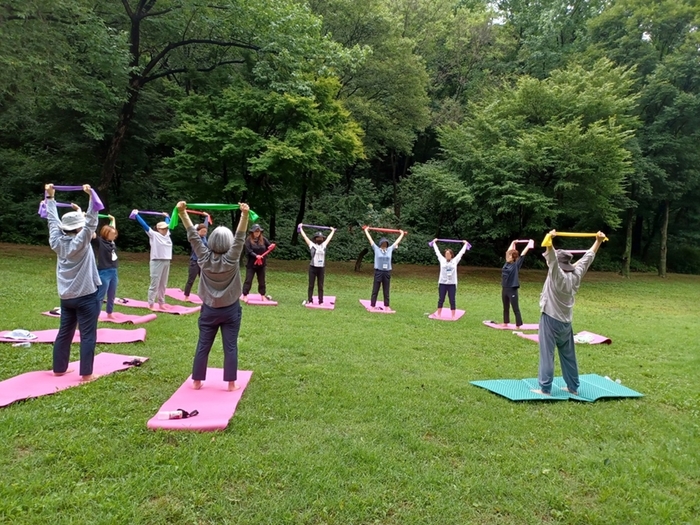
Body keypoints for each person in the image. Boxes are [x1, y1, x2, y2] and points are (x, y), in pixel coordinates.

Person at [175, 200, 249, 391]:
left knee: (203, 344)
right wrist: (244, 215)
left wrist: (183, 212)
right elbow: (240, 236)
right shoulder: (232, 258)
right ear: (229, 242)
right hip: (231, 309)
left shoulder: (203, 256)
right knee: (230, 346)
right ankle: (231, 384)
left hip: (209, 309)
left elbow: (192, 235)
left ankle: (197, 381)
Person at [532, 230, 607, 396]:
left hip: (550, 319)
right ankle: (573, 387)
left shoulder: (557, 275)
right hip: (566, 322)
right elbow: (587, 258)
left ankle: (545, 389)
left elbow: (550, 257)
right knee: (568, 356)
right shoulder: (576, 274)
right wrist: (598, 241)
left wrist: (549, 239)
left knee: (547, 354)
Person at [45, 183, 101, 382]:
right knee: (87, 335)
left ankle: (59, 369)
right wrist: (90, 195)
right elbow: (92, 221)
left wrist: (49, 197)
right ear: (79, 227)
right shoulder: (81, 242)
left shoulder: (57, 241)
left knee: (65, 332)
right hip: (86, 296)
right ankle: (86, 374)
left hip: (66, 297)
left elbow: (52, 221)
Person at [132, 210, 172, 310]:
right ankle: (151, 304)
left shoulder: (167, 235)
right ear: (158, 229)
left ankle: (161, 303)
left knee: (163, 284)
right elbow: (144, 225)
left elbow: (168, 222)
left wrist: (166, 216)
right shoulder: (154, 234)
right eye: (163, 229)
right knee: (155, 283)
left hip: (166, 261)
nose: (165, 230)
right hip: (156, 261)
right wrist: (137, 215)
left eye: (166, 228)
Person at [363, 227, 406, 311]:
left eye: (386, 243)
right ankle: (372, 305)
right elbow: (370, 240)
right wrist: (366, 230)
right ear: (380, 244)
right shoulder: (376, 249)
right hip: (378, 272)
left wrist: (402, 234)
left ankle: (386, 306)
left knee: (386, 290)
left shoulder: (389, 249)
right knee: (375, 289)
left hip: (387, 273)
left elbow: (397, 242)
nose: (384, 244)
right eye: (383, 243)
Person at [299, 226, 336, 305]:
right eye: (318, 238)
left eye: (321, 238)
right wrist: (301, 228)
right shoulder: (312, 245)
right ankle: (310, 300)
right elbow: (305, 236)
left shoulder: (324, 245)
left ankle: (321, 301)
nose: (320, 239)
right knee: (311, 285)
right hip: (312, 268)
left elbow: (329, 237)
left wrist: (332, 231)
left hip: (321, 268)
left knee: (320, 286)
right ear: (315, 239)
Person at [432, 239, 469, 318]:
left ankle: (453, 315)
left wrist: (465, 244)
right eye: (446, 254)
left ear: (451, 255)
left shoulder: (455, 260)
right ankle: (438, 314)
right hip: (442, 283)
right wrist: (434, 243)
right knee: (441, 299)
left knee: (452, 299)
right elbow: (437, 252)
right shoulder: (442, 260)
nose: (447, 255)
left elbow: (461, 253)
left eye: (449, 254)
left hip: (452, 283)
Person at [91, 215, 119, 319]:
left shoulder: (111, 242)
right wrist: (85, 217)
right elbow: (89, 232)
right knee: (100, 296)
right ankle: (96, 315)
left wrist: (113, 219)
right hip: (104, 272)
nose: (115, 236)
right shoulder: (99, 241)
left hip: (114, 272)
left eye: (115, 234)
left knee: (112, 294)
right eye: (113, 234)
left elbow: (113, 229)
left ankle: (109, 313)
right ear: (106, 234)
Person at [500, 240, 531, 328]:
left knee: (515, 308)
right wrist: (513, 242)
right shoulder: (506, 263)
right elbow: (508, 251)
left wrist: (529, 245)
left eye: (509, 256)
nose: (507, 256)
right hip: (505, 288)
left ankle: (518, 325)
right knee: (505, 307)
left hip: (512, 289)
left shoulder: (516, 264)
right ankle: (505, 322)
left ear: (513, 257)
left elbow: (523, 254)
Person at [242, 224, 272, 300]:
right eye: (255, 231)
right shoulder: (248, 240)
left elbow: (269, 247)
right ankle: (245, 295)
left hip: (261, 264)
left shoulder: (263, 239)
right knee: (248, 280)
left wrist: (271, 247)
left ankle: (262, 295)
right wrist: (256, 256)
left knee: (262, 280)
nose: (257, 233)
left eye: (258, 231)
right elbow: (248, 251)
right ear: (252, 232)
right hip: (251, 264)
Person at [184, 222, 209, 300]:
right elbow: (191, 230)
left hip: (203, 262)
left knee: (204, 280)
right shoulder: (195, 238)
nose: (204, 233)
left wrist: (206, 216)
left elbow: (205, 225)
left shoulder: (204, 237)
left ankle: (205, 296)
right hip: (194, 262)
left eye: (205, 232)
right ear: (198, 231)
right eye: (202, 231)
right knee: (191, 279)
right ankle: (186, 296)